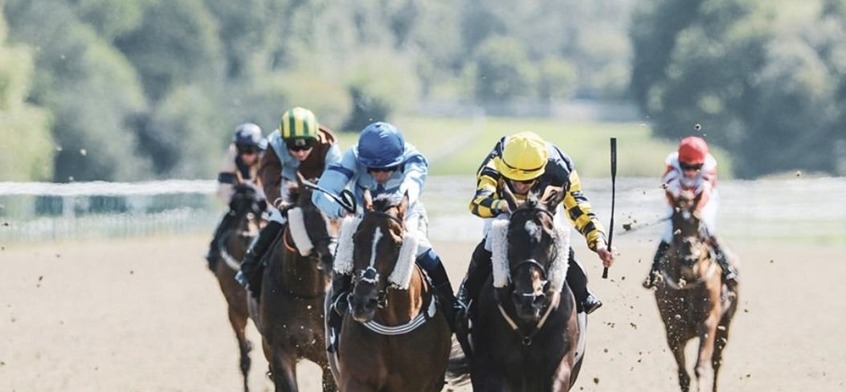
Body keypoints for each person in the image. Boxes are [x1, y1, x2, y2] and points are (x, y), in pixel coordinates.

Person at [312, 121, 458, 341]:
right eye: (373, 169)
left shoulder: (414, 157)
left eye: (388, 169)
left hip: (404, 217)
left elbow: (412, 185)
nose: (380, 174)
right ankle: (336, 316)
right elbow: (321, 193)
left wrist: (398, 207)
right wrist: (341, 209)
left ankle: (451, 310)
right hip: (365, 220)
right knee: (342, 256)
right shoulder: (352, 156)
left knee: (422, 248)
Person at [456, 131, 614, 319]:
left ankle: (583, 294)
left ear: (540, 172)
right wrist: (506, 205)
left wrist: (599, 243)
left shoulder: (561, 170)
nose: (519, 186)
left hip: (544, 210)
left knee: (561, 239)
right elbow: (478, 203)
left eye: (526, 181)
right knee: (494, 237)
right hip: (505, 209)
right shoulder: (494, 163)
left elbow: (579, 210)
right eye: (512, 179)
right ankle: (466, 295)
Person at [235, 107, 342, 297]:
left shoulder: (329, 146)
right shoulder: (274, 145)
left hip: (322, 188)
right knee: (277, 220)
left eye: (306, 146)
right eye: (294, 147)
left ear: (315, 138)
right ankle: (250, 266)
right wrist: (280, 204)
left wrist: (326, 202)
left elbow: (337, 179)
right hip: (288, 187)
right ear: (284, 141)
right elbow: (269, 181)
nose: (300, 152)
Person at [642, 135, 738, 289]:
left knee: (707, 230)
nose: (690, 171)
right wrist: (680, 201)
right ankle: (653, 272)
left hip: (703, 203)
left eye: (696, 167)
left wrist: (695, 207)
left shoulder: (710, 165)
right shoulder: (671, 162)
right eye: (685, 166)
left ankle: (728, 271)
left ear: (702, 163)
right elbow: (668, 185)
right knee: (667, 233)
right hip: (677, 202)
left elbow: (705, 190)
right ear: (679, 161)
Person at [205, 122, 268, 271]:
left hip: (264, 197)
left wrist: (263, 201)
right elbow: (223, 187)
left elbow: (272, 185)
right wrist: (233, 201)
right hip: (241, 196)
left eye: (250, 150)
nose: (246, 155)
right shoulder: (232, 155)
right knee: (227, 221)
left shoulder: (267, 156)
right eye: (242, 149)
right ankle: (213, 254)